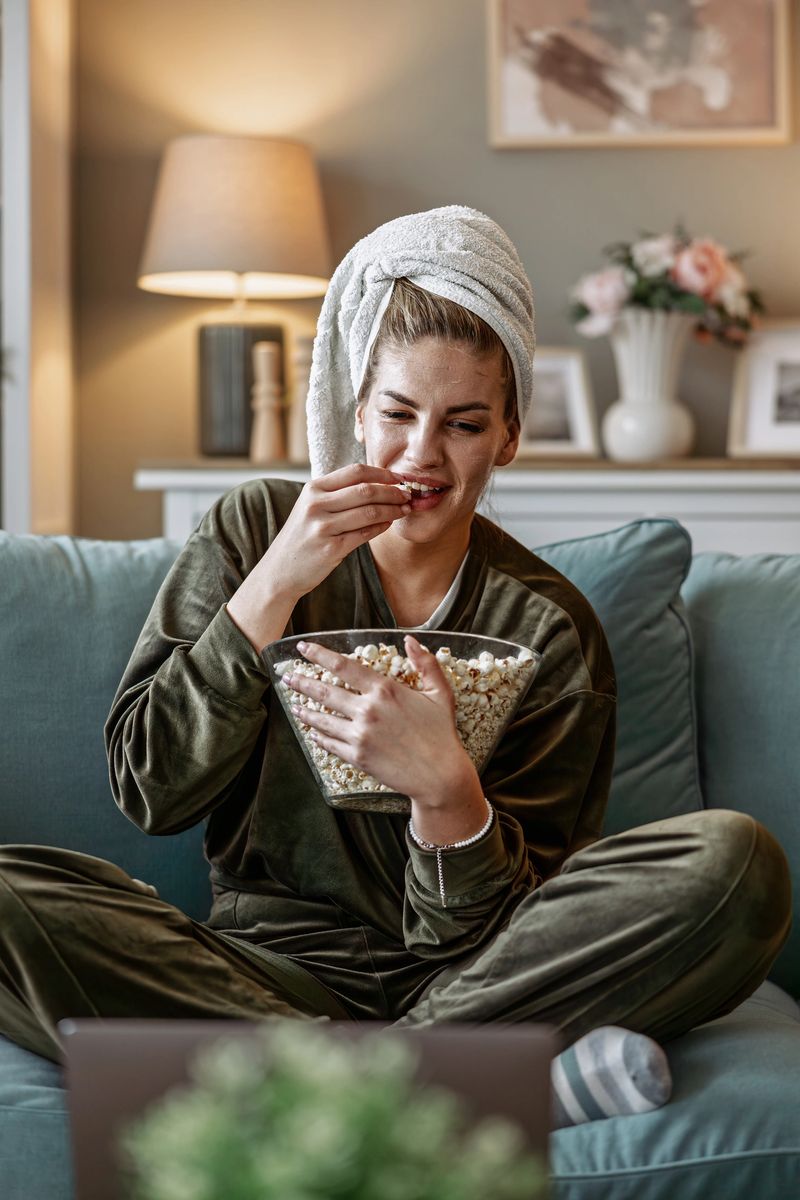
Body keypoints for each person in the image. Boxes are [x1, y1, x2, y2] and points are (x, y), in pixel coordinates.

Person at [0, 207, 791, 1130]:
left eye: (462, 423)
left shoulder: (547, 627)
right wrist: (271, 594)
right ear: (354, 405)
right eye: (398, 413)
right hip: (258, 972)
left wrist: (449, 796)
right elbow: (151, 789)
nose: (422, 455)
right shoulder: (256, 532)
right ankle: (466, 1084)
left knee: (736, 866)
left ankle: (331, 1086)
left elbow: (516, 930)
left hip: (480, 978)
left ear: (508, 435)